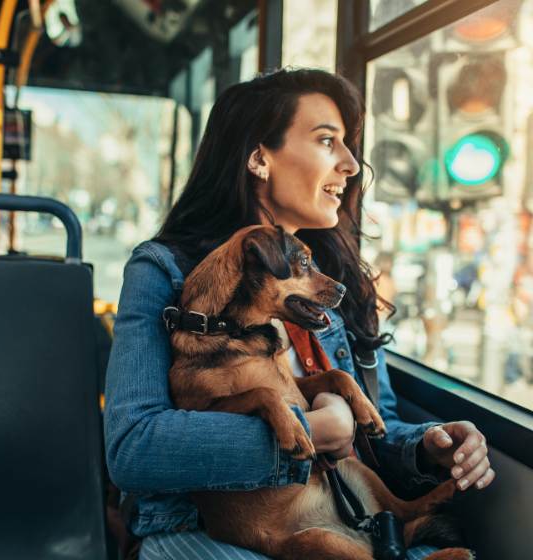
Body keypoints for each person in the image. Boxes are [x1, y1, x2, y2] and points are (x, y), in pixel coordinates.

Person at [104, 68, 495, 560]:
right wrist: (305, 431)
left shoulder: (333, 284)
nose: (352, 164)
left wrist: (429, 445)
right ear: (259, 157)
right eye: (328, 141)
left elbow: (377, 425)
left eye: (348, 145)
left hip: (343, 512)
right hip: (207, 526)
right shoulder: (164, 270)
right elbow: (134, 449)